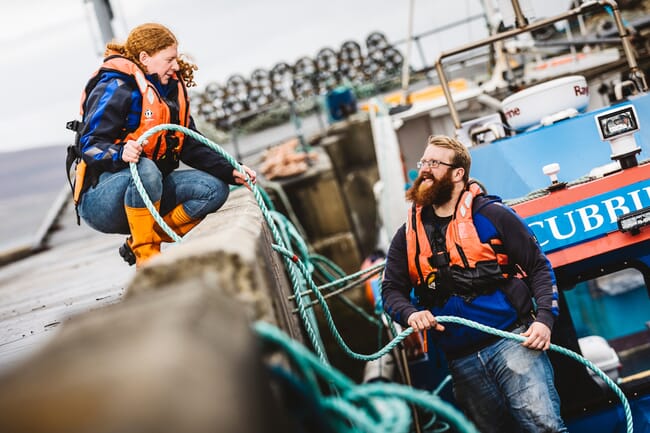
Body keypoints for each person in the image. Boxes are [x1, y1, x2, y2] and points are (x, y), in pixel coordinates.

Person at [381, 135, 567, 433]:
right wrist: (411, 314)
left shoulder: (493, 216)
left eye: (434, 163)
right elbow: (391, 290)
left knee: (544, 428)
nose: (424, 170)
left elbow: (537, 267)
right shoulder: (407, 236)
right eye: (423, 162)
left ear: (458, 174)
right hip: (460, 361)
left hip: (513, 344)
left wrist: (544, 320)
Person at [70, 23, 256, 268]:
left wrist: (231, 169)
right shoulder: (115, 87)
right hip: (101, 199)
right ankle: (147, 260)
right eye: (169, 59)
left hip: (150, 190)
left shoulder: (170, 92)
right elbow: (89, 144)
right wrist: (120, 152)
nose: (176, 66)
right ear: (145, 58)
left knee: (214, 189)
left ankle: (138, 241)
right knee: (146, 169)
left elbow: (189, 143)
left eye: (176, 59)